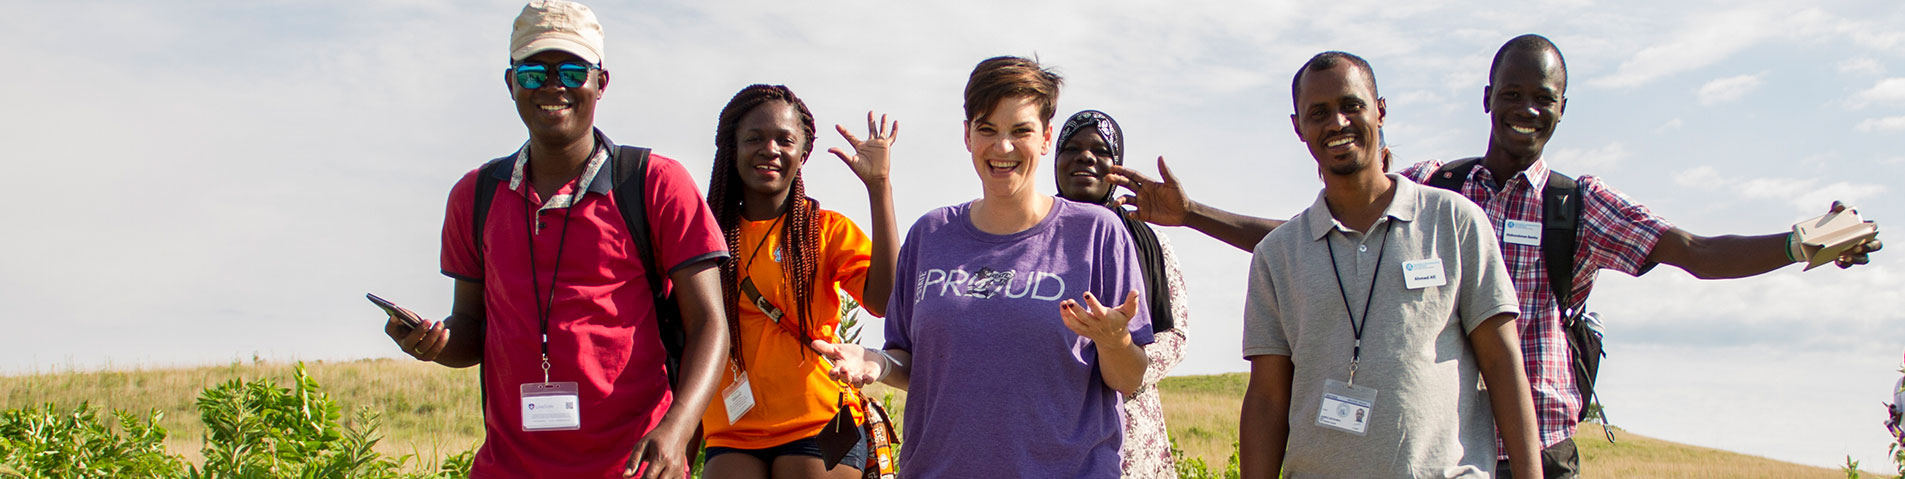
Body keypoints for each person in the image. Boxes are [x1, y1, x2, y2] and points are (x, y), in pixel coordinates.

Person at [1114, 35, 1882, 479]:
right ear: (1486, 98)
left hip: (1533, 450)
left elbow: (1693, 250)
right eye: (1512, 93)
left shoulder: (1577, 206)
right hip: (1441, 447)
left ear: (1560, 110)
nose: (1526, 110)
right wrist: (1192, 215)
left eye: (1543, 99)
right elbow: (1312, 241)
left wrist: (1798, 244)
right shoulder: (1435, 185)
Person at [381, 2, 730, 477]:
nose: (553, 86)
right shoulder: (475, 194)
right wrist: (434, 343)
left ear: (600, 82)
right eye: (533, 73)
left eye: (572, 70)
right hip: (507, 468)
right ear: (510, 83)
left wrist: (678, 430)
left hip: (632, 468)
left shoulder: (655, 183)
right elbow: (470, 326)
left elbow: (712, 324)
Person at [810, 56, 1154, 477]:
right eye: (986, 129)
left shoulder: (1096, 233)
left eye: (1021, 131)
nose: (1002, 147)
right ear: (967, 135)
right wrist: (876, 362)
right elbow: (916, 365)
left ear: (1046, 137)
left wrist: (1115, 342)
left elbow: (1129, 379)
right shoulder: (930, 235)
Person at [1237, 51, 1542, 478]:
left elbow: (1503, 365)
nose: (1337, 123)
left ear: (1380, 111)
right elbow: (1267, 399)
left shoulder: (1453, 221)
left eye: (1351, 105)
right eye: (1319, 112)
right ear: (1298, 127)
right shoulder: (1277, 255)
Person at [696, 84, 900, 479]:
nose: (770, 149)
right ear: (731, 149)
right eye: (754, 138)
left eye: (784, 140)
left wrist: (879, 188)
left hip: (818, 421)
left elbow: (886, 301)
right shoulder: (707, 235)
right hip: (731, 430)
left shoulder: (824, 231)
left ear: (802, 153)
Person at [1052, 110, 1191, 478]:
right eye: (1072, 148)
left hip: (1128, 424)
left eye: (1101, 150)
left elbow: (1176, 334)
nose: (1086, 157)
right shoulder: (1031, 235)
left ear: (1118, 166)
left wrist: (1120, 357)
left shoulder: (1149, 240)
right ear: (1055, 159)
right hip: (1048, 414)